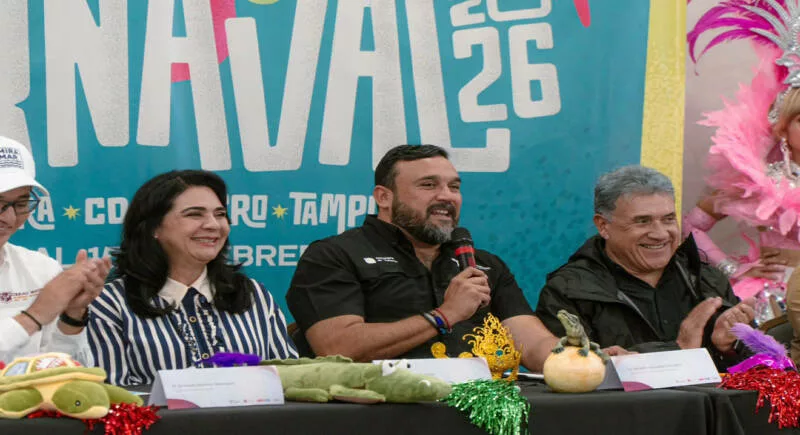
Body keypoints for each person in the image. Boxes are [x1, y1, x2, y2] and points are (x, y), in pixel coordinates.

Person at [286, 144, 579, 372]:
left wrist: (583, 359)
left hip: (482, 410)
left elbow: (533, 344)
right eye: (428, 185)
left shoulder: (485, 264)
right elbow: (338, 348)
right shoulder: (335, 255)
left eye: (454, 187)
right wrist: (443, 315)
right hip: (383, 414)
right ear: (384, 197)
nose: (446, 196)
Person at [87, 170, 297, 386]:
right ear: (153, 228)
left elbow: (288, 379)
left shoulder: (253, 293)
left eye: (220, 214)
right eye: (195, 214)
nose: (213, 225)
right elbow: (111, 393)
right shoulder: (109, 303)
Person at [536, 165, 755, 367]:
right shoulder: (569, 291)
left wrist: (727, 348)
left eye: (668, 219)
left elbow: (757, 371)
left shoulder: (707, 280)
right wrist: (677, 349)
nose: (660, 234)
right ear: (603, 226)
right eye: (643, 221)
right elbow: (574, 372)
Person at [684, 1, 800, 363]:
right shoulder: (755, 178)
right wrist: (732, 268)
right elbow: (688, 228)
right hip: (772, 300)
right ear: (783, 127)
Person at [0, 136, 110, 365]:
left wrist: (72, 317)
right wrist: (34, 316)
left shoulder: (41, 269)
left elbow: (66, 372)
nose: (9, 218)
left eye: (20, 204)